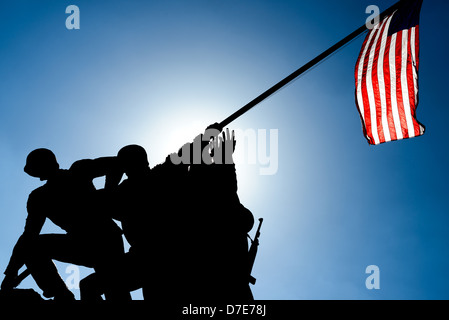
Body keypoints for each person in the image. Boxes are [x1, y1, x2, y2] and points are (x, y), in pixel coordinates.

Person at [0, 148, 130, 301]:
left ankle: (63, 295)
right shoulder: (39, 198)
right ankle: (62, 295)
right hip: (81, 244)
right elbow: (29, 236)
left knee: (113, 289)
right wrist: (11, 272)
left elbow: (118, 164)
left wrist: (109, 194)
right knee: (33, 246)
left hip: (107, 241)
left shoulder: (78, 171)